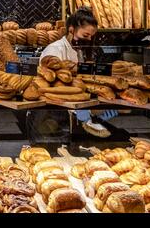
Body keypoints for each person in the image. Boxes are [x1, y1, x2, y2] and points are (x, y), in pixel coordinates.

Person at [39, 7, 117, 138]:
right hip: (52, 114)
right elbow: (51, 83)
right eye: (85, 35)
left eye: (91, 36)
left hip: (72, 113)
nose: (88, 39)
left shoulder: (78, 50)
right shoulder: (55, 49)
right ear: (71, 29)